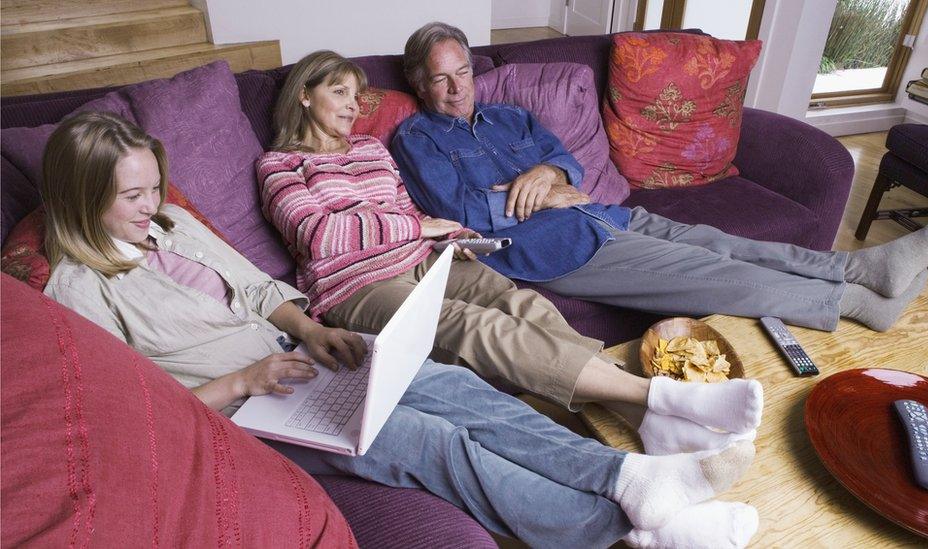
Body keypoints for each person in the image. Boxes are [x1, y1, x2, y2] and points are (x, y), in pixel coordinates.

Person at [41, 111, 762, 548]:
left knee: (451, 386)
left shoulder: (173, 224)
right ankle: (628, 531)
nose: (152, 204)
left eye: (154, 186)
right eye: (132, 194)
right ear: (81, 198)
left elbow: (262, 287)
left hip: (294, 362)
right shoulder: (75, 291)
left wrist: (310, 330)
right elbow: (139, 418)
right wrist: (244, 379)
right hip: (245, 415)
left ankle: (634, 478)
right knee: (425, 439)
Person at [255, 50, 763, 456]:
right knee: (474, 326)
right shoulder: (279, 165)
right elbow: (318, 234)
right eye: (337, 91)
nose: (351, 105)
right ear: (303, 96)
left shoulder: (370, 149)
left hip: (427, 257)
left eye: (356, 95)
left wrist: (450, 236)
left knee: (520, 303)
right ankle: (657, 398)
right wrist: (414, 226)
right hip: (356, 284)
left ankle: (641, 420)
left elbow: (407, 207)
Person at [391, 22, 928, 334]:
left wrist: (547, 172)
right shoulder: (416, 139)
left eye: (463, 71)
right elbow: (465, 212)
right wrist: (545, 199)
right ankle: (855, 303)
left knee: (726, 243)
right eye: (441, 79)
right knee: (715, 274)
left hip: (604, 215)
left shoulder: (510, 116)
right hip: (558, 249)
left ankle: (859, 266)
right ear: (421, 84)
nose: (458, 87)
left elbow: (568, 160)